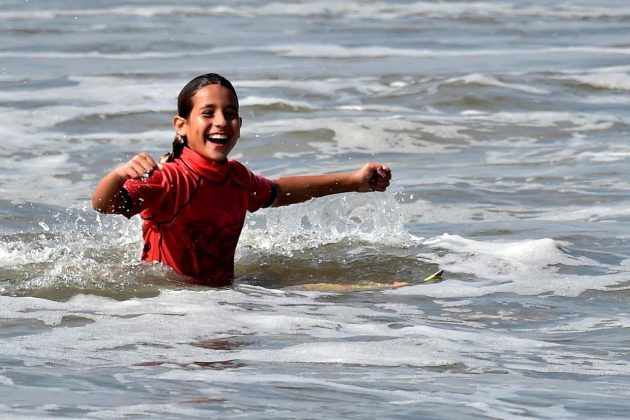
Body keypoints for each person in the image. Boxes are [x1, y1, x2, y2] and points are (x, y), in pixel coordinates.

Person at [92, 73, 391, 287]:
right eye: (208, 113)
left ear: (240, 125)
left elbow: (280, 191)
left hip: (222, 297)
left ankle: (361, 288)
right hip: (169, 300)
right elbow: (104, 204)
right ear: (181, 126)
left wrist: (354, 180)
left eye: (230, 113)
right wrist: (119, 175)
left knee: (296, 290)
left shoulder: (237, 177)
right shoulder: (168, 179)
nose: (221, 121)